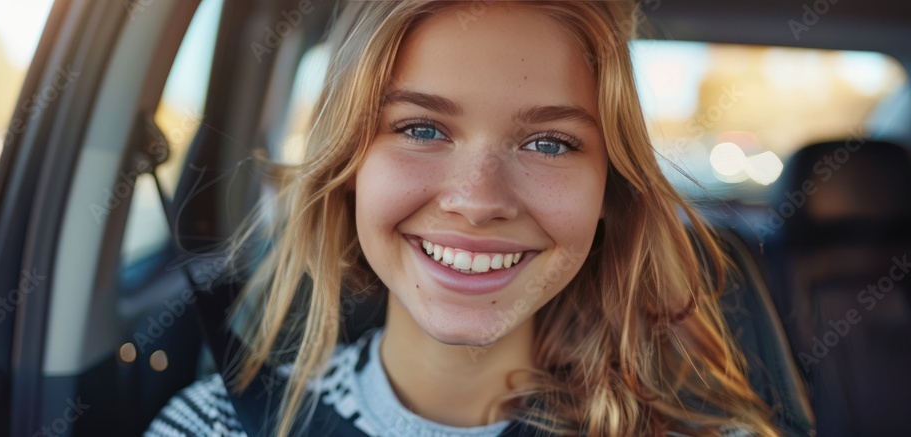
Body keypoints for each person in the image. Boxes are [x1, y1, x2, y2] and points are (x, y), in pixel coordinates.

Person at [148, 1, 778, 436]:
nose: (478, 202)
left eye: (549, 143)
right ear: (348, 168)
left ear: (609, 190)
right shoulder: (214, 425)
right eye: (421, 129)